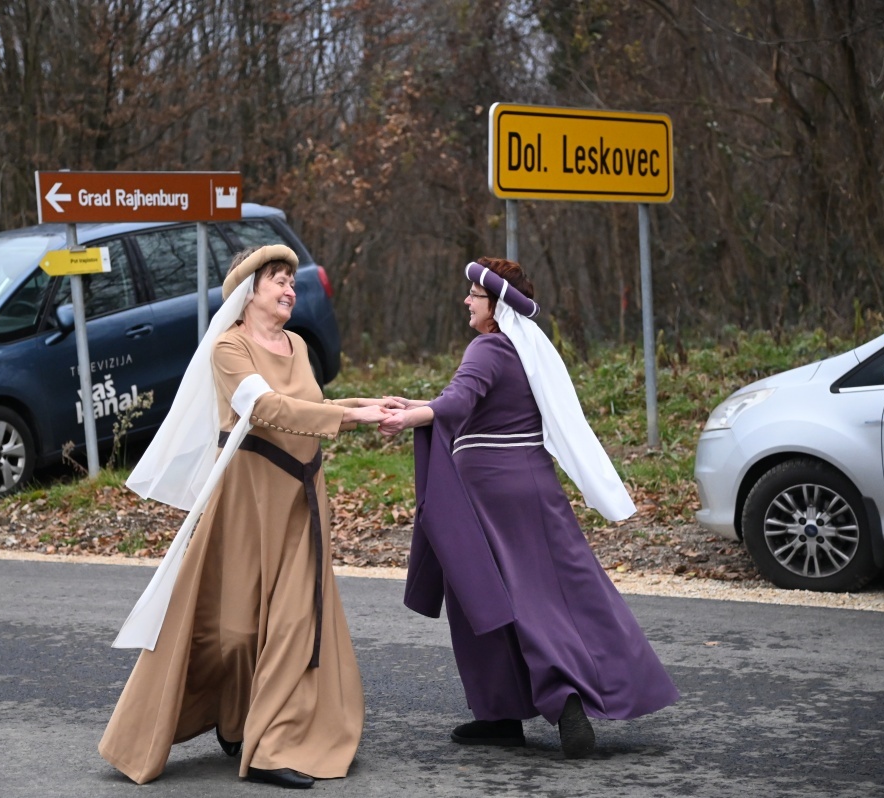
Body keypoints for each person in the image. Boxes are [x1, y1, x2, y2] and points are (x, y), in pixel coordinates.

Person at [100, 244, 394, 789]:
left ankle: (270, 745)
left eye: (292, 282)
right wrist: (353, 418)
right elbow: (265, 408)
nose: (289, 290)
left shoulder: (299, 345)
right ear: (248, 291)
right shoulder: (227, 348)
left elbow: (309, 408)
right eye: (278, 280)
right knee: (232, 630)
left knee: (292, 623)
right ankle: (233, 718)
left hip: (300, 499)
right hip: (245, 500)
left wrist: (368, 407)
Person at [378, 257, 679, 757]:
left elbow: (455, 404)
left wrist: (411, 417)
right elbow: (471, 402)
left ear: (495, 304)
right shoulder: (523, 351)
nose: (467, 301)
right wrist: (414, 406)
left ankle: (550, 703)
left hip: (490, 496)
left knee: (490, 599)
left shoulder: (488, 346)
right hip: (535, 485)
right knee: (563, 593)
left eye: (474, 294)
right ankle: (525, 707)